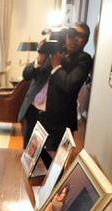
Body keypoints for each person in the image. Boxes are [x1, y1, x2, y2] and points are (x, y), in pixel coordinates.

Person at [18, 22, 93, 154]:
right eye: (72, 34)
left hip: (58, 122)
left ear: (86, 40)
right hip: (33, 115)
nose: (74, 38)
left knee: (52, 164)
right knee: (28, 156)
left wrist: (57, 66)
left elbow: (69, 85)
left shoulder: (83, 59)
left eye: (80, 36)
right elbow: (27, 75)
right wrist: (40, 59)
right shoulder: (53, 51)